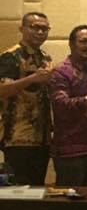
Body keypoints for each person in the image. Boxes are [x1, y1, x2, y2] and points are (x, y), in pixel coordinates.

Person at [49, 25, 87, 186]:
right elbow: (60, 104)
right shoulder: (61, 71)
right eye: (84, 41)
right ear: (71, 44)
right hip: (71, 149)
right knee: (70, 198)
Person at [0, 12, 53, 185]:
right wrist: (32, 79)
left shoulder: (45, 57)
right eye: (35, 27)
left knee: (37, 189)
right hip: (17, 136)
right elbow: (3, 90)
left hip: (42, 137)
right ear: (22, 29)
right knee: (19, 190)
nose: (40, 32)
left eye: (44, 29)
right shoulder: (10, 57)